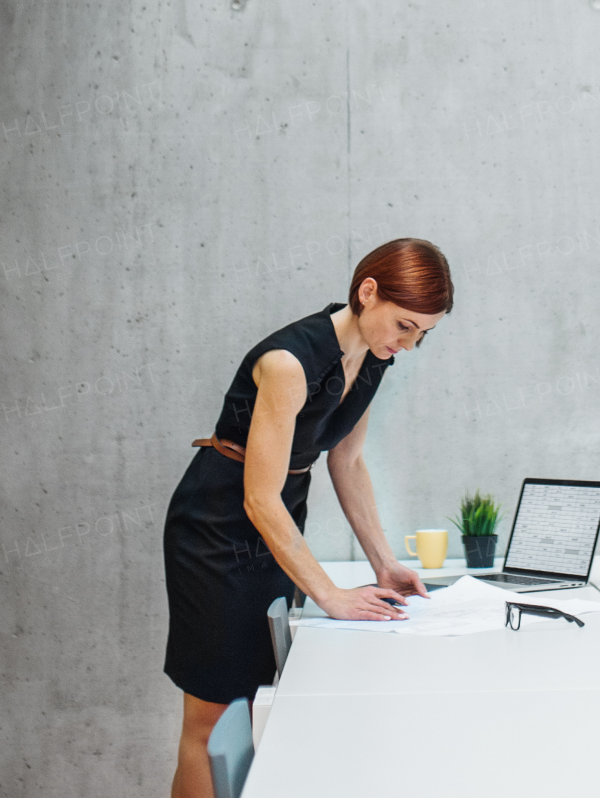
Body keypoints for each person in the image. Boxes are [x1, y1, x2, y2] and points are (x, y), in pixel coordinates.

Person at [163, 237, 454, 798]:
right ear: (368, 293)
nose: (409, 344)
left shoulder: (374, 358)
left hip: (276, 526)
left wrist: (384, 563)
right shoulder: (287, 363)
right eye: (405, 325)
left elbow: (348, 460)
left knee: (254, 704)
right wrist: (330, 595)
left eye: (422, 333)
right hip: (217, 528)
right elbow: (259, 499)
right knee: (213, 716)